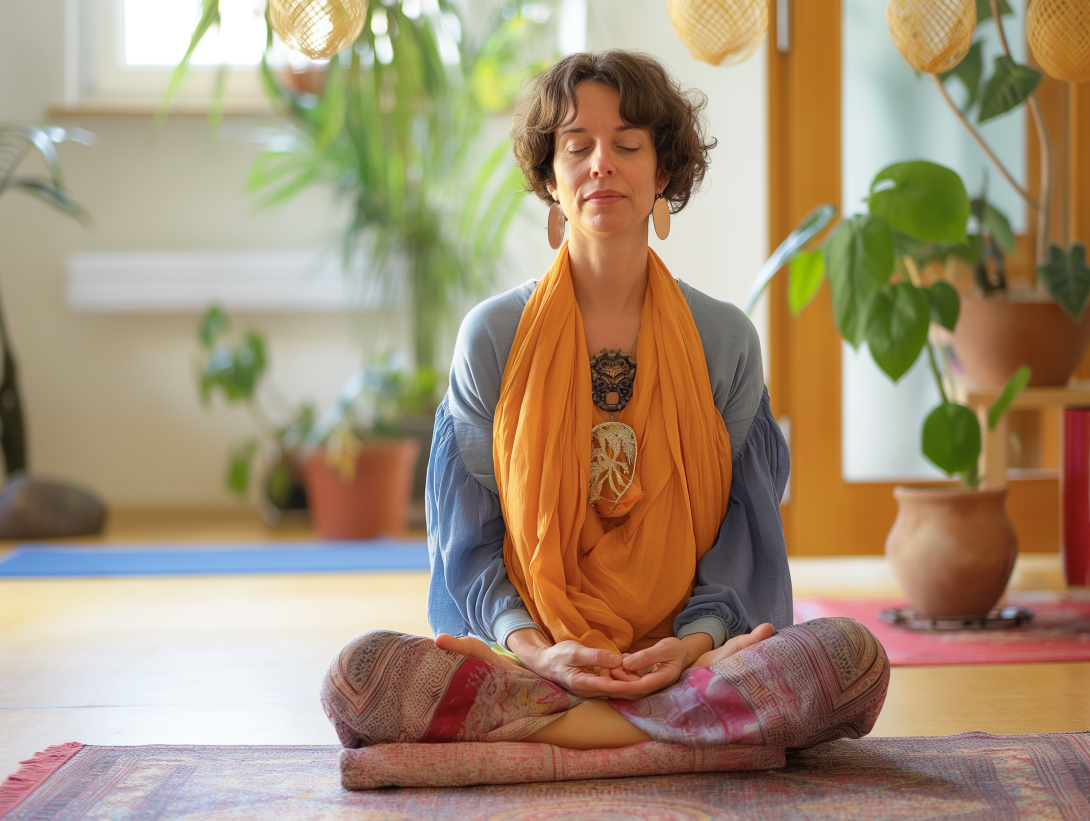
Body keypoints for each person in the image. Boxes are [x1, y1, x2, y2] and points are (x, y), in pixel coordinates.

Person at [321, 50, 889, 753]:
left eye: (627, 145)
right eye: (577, 146)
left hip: (687, 660)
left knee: (850, 660)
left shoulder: (724, 340)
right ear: (550, 180)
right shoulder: (493, 338)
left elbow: (745, 544)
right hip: (534, 659)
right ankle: (673, 734)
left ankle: (559, 732)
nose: (601, 165)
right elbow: (467, 545)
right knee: (360, 677)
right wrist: (536, 650)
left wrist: (689, 646)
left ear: (665, 174)